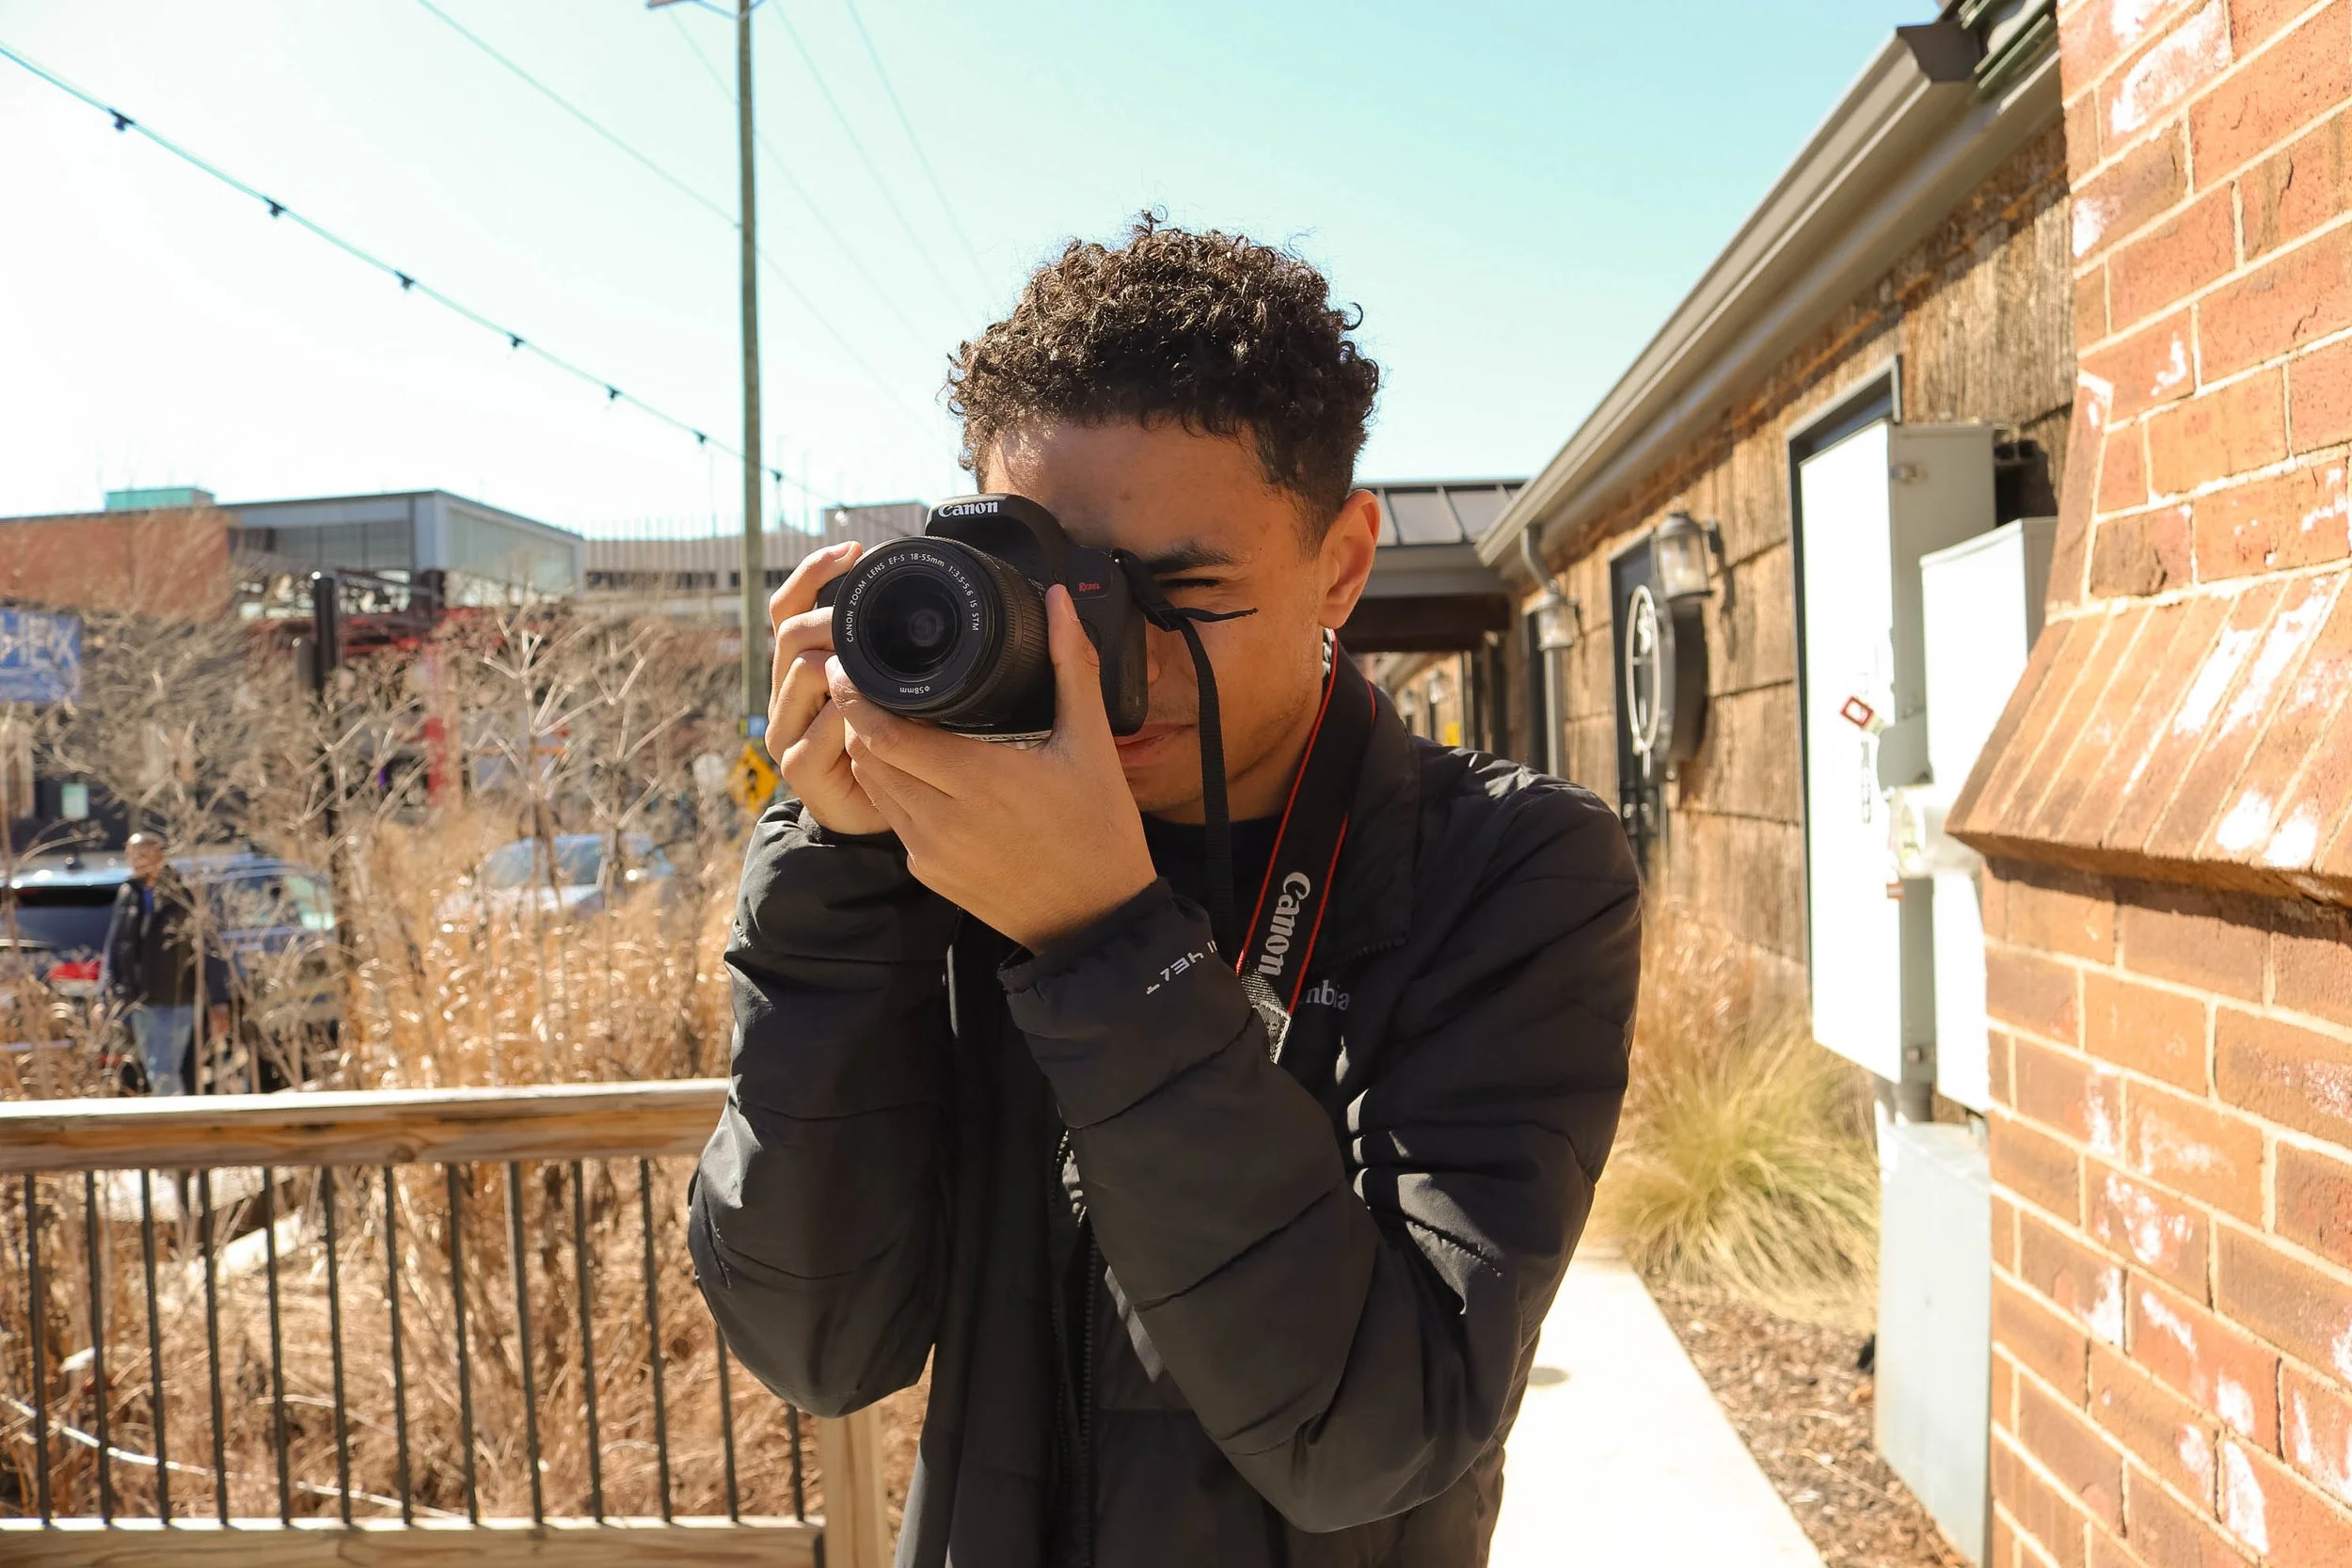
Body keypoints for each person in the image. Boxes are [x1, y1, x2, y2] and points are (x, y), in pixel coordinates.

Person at [690, 215, 1643, 1568]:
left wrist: (1102, 942)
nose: (1096, 653)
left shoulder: (1509, 868)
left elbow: (1379, 1429)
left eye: (1177, 589)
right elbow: (818, 1344)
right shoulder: (924, 859)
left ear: (1343, 564)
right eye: (1049, 590)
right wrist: (840, 884)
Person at [101, 832, 230, 1096]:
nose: (137, 861)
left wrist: (218, 999)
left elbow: (209, 947)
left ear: (161, 857)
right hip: (139, 999)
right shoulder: (129, 893)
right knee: (153, 1068)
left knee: (164, 1069)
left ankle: (177, 1127)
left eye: (144, 855)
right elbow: (115, 945)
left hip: (176, 997)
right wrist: (105, 993)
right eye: (132, 855)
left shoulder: (182, 893)